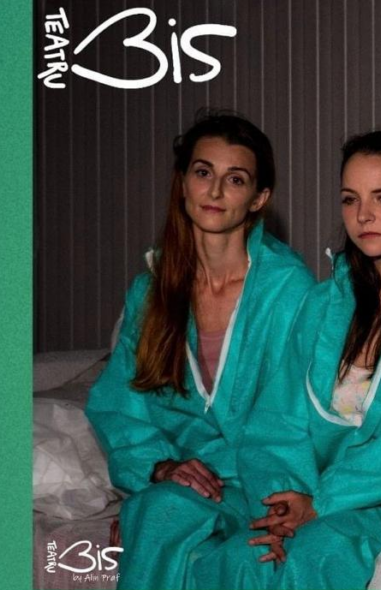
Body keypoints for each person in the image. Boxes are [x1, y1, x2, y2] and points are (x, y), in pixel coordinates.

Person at [191, 130, 381, 589]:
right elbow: (276, 423)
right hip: (316, 498)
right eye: (350, 199)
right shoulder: (323, 304)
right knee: (247, 556)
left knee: (318, 549)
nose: (363, 215)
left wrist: (322, 503)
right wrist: (282, 503)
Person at [85, 112, 316, 590]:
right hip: (185, 490)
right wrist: (160, 469)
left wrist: (281, 502)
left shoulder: (289, 289)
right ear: (183, 182)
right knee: (163, 514)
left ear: (259, 198)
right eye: (203, 172)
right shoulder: (151, 292)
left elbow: (295, 414)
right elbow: (120, 406)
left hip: (262, 486)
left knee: (229, 550)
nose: (215, 190)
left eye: (236, 179)